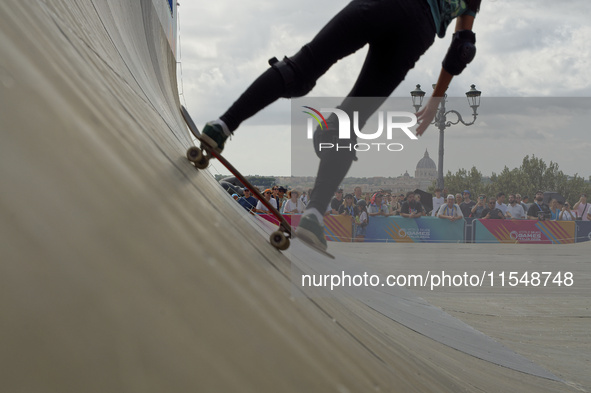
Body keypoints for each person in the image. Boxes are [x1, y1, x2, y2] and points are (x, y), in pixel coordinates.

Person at [197, 0, 481, 251]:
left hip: (379, 6)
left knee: (302, 67)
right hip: (417, 31)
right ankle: (314, 214)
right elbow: (462, 48)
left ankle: (222, 126)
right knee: (352, 120)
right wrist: (434, 100)